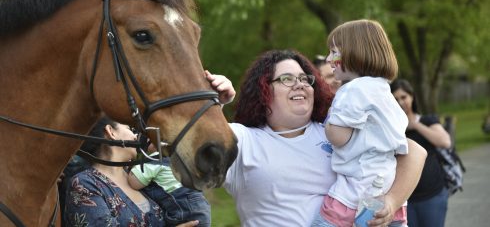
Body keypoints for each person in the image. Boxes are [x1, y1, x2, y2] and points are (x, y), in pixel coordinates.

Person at [205, 49, 427, 227]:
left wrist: (391, 202)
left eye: (304, 78)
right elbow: (193, 139)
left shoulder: (335, 133)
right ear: (263, 90)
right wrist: (215, 102)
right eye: (286, 79)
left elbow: (414, 153)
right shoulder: (244, 139)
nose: (300, 84)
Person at [312, 20, 409, 227]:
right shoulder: (383, 90)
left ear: (355, 52)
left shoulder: (353, 90)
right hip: (387, 192)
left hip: (354, 195)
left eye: (333, 52)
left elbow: (338, 137)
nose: (328, 58)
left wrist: (331, 117)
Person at [63, 116, 199, 227]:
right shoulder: (84, 184)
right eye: (129, 129)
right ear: (111, 132)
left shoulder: (140, 179)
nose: (135, 137)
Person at [390, 79, 451, 227]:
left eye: (404, 97)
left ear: (412, 97)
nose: (400, 102)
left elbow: (445, 141)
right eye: (395, 99)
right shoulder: (390, 128)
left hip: (432, 194)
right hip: (404, 197)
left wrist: (415, 125)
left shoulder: (427, 120)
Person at [128, 144, 211, 226]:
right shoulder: (184, 159)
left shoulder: (156, 158)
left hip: (183, 212)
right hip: (201, 210)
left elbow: (134, 182)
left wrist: (132, 168)